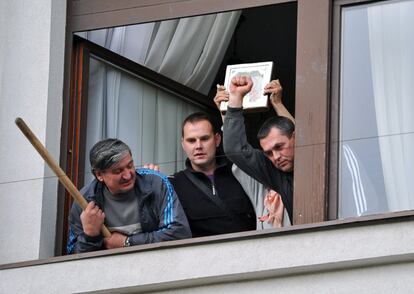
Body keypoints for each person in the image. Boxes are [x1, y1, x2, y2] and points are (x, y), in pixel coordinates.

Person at [67, 138, 191, 254]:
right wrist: (90, 236)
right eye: (118, 171)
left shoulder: (156, 184)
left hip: (157, 267)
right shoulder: (85, 201)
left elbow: (180, 233)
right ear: (99, 175)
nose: (127, 175)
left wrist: (127, 242)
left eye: (130, 166)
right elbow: (72, 258)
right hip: (110, 273)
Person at [214, 79, 294, 229]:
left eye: (280, 147)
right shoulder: (272, 174)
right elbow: (235, 149)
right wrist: (234, 100)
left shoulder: (315, 160)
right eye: (268, 153)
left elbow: (302, 141)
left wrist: (277, 103)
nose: (276, 157)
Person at [171, 112, 256, 237]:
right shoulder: (175, 184)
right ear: (183, 144)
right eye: (191, 140)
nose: (198, 146)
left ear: (217, 140)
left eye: (204, 139)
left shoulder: (240, 172)